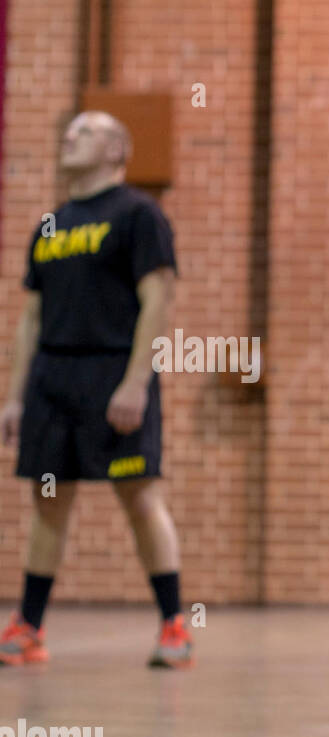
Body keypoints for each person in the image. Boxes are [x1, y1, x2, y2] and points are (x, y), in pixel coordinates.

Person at [0, 111, 192, 668]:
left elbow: (158, 299)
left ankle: (175, 627)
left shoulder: (139, 214)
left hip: (114, 377)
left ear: (116, 149)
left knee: (140, 499)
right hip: (52, 382)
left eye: (84, 131)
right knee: (48, 504)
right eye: (68, 131)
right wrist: (14, 396)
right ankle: (29, 628)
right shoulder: (51, 226)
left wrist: (136, 382)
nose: (69, 136)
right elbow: (31, 318)